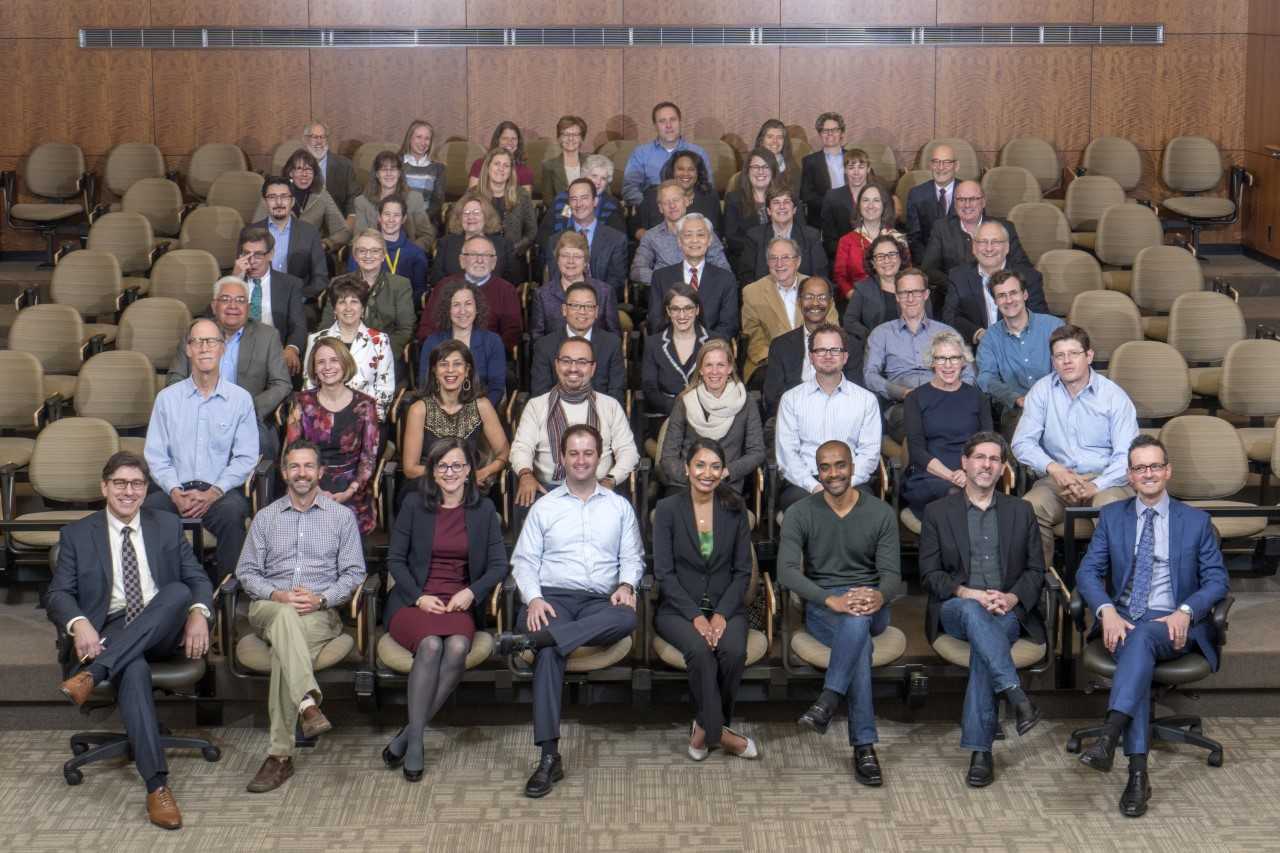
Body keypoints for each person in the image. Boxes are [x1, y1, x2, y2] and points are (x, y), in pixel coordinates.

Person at [50, 451, 214, 830]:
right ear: (104, 487)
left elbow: (197, 580)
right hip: (109, 629)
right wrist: (79, 623)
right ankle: (157, 786)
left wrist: (198, 613)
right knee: (134, 668)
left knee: (177, 592)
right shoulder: (78, 534)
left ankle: (92, 675)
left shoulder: (167, 525)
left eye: (137, 484)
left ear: (146, 489)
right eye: (120, 483)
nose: (129, 491)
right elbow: (58, 594)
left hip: (163, 627)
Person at [1074, 434, 1230, 817]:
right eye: (1140, 467)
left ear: (1168, 471)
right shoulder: (1112, 517)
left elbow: (1217, 581)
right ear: (1129, 475)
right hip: (1122, 623)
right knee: (1137, 648)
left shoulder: (1195, 521)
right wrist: (1107, 611)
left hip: (1173, 625)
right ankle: (1137, 776)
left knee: (1141, 639)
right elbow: (1088, 573)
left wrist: (1186, 611)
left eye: (1155, 466)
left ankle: (1111, 735)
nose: (1148, 473)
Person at [499, 423, 644, 797]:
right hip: (553, 600)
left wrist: (626, 585)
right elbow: (524, 562)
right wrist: (534, 598)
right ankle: (549, 757)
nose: (581, 460)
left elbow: (632, 557)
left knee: (627, 617)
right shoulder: (545, 507)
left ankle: (535, 640)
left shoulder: (619, 507)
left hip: (601, 602)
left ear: (600, 458)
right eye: (574, 453)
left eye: (588, 453)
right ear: (562, 459)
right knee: (550, 652)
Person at [236, 440, 367, 794]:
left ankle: (280, 755)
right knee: (283, 616)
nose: (302, 473)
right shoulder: (266, 518)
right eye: (294, 466)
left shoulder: (341, 517)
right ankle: (307, 701)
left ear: (320, 472)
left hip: (318, 613)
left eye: (308, 466)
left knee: (285, 649)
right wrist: (277, 595)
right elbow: (247, 572)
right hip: (269, 606)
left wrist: (322, 598)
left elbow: (354, 574)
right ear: (284, 473)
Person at [917, 431, 1046, 787]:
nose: (986, 465)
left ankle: (981, 751)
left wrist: (1012, 598)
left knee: (984, 651)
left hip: (1006, 611)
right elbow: (929, 574)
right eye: (980, 457)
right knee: (974, 614)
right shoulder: (938, 512)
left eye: (994, 459)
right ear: (965, 462)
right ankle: (1016, 694)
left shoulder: (1021, 511)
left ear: (1003, 468)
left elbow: (1036, 570)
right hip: (957, 608)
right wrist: (968, 593)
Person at [382, 438, 508, 782]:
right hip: (413, 601)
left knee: (456, 646)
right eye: (442, 466)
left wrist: (472, 592)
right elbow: (395, 559)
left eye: (457, 465)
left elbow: (499, 565)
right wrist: (419, 596)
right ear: (433, 471)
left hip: (457, 601)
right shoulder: (414, 504)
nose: (450, 472)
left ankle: (408, 733)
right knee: (430, 646)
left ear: (469, 471)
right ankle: (416, 743)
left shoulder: (484, 510)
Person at [779, 440, 901, 787]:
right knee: (857, 637)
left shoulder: (880, 513)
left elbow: (892, 575)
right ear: (817, 472)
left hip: (872, 604)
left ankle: (829, 698)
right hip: (826, 607)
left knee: (859, 618)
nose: (833, 473)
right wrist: (830, 600)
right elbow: (786, 572)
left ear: (853, 468)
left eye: (840, 465)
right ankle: (864, 746)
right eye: (825, 467)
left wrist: (878, 595)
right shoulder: (800, 512)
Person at [653, 439, 758, 761]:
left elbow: (742, 571)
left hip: (727, 607)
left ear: (724, 471)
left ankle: (703, 727)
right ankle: (720, 734)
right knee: (700, 651)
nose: (707, 473)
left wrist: (721, 614)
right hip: (678, 610)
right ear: (687, 469)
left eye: (715, 466)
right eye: (700, 465)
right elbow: (664, 573)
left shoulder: (735, 509)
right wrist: (696, 617)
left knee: (733, 651)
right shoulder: (667, 510)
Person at [1013, 324, 1139, 570]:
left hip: (1107, 481)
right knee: (1028, 508)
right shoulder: (1042, 391)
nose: (1066, 361)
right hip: (1059, 481)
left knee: (1111, 510)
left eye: (1074, 354)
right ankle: (1042, 584)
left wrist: (1095, 485)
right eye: (1059, 356)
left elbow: (1127, 456)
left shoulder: (1113, 396)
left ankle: (1113, 586)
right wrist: (1054, 468)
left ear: (1089, 356)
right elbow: (1021, 442)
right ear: (1053, 361)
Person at [146, 318, 257, 583]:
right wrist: (175, 491)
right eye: (197, 342)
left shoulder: (240, 399)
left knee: (233, 514)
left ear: (222, 348)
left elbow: (245, 457)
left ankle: (226, 593)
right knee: (147, 512)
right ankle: (161, 592)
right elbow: (156, 456)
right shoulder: (167, 399)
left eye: (211, 341)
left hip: (219, 494)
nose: (205, 348)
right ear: (188, 349)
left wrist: (213, 492)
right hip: (176, 491)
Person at [166, 276, 291, 461]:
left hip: (246, 416)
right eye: (225, 299)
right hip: (197, 413)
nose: (233, 306)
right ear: (214, 305)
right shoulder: (196, 332)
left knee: (262, 443)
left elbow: (281, 384)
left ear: (248, 307)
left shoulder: (268, 336)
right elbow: (175, 377)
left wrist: (249, 407)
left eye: (240, 300)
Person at [510, 337, 639, 507]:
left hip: (600, 488)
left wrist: (610, 480)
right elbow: (521, 447)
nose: (573, 368)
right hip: (548, 491)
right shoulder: (536, 406)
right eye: (566, 361)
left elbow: (628, 451)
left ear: (593, 368)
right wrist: (526, 475)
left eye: (582, 362)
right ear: (557, 365)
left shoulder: (610, 406)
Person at [776, 325, 882, 510]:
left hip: (851, 481)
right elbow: (788, 455)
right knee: (802, 508)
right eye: (821, 350)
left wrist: (845, 485)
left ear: (845, 357)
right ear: (811, 357)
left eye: (835, 350)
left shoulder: (866, 400)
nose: (828, 355)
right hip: (805, 484)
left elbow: (869, 453)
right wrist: (815, 487)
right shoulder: (790, 399)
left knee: (865, 507)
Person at [285, 338, 380, 535]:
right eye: (321, 362)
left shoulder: (366, 404)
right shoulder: (301, 402)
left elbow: (368, 458)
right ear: (314, 368)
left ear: (345, 363)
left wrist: (350, 490)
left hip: (352, 486)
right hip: (308, 481)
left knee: (346, 525)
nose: (327, 367)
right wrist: (316, 490)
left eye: (334, 360)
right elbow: (292, 454)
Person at [863, 268, 971, 442]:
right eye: (904, 293)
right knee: (923, 425)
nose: (910, 298)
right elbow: (870, 375)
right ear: (897, 296)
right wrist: (901, 392)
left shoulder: (947, 332)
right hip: (903, 406)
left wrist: (951, 393)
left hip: (945, 400)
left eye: (916, 292)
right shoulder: (881, 334)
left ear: (926, 294)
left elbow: (968, 370)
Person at [900, 331, 994, 518]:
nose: (948, 365)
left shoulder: (978, 397)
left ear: (963, 361)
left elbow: (988, 445)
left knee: (968, 495)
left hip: (974, 473)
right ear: (932, 362)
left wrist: (968, 473)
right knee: (956, 495)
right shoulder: (915, 398)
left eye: (954, 358)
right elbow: (917, 451)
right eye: (941, 358)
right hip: (929, 475)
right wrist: (952, 476)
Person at [401, 341, 510, 496]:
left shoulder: (482, 406)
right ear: (434, 371)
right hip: (427, 484)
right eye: (443, 364)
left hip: (469, 485)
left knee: (481, 504)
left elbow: (504, 452)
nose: (450, 370)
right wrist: (453, 476)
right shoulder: (419, 409)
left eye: (457, 364)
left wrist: (484, 472)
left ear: (467, 370)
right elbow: (410, 469)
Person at [660, 339, 765, 495]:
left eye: (720, 365)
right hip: (686, 484)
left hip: (726, 485)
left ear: (730, 368)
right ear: (701, 370)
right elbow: (668, 456)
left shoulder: (746, 402)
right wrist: (692, 476)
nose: (714, 371)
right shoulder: (685, 401)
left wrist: (726, 472)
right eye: (708, 365)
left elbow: (757, 452)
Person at [741, 237, 836, 384]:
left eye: (786, 257)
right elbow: (754, 337)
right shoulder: (752, 292)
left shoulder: (818, 287)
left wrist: (813, 357)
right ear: (767, 262)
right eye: (773, 258)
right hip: (770, 362)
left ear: (798, 261)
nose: (779, 264)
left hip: (817, 357)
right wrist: (780, 360)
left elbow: (831, 327)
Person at [976, 270, 1064, 426]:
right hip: (1017, 412)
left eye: (1013, 293)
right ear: (995, 301)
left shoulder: (1054, 326)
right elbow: (986, 378)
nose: (1008, 300)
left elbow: (1067, 366)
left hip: (1058, 405)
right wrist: (1015, 398)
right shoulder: (990, 338)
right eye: (1001, 296)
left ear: (1025, 295)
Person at [763, 276, 859, 419]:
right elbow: (772, 396)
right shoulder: (780, 346)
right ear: (799, 302)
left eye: (822, 297)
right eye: (809, 297)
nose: (815, 303)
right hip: (793, 416)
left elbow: (856, 391)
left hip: (839, 416)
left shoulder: (850, 344)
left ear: (830, 302)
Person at [303, 277, 395, 422]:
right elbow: (309, 384)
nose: (348, 308)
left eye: (354, 301)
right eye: (342, 302)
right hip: (323, 420)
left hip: (366, 419)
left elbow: (385, 389)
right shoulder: (316, 339)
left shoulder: (380, 341)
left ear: (363, 308)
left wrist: (368, 420)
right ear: (334, 309)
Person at [943, 220, 1048, 346]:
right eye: (983, 242)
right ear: (974, 247)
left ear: (1007, 247)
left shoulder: (1030, 277)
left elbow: (1039, 321)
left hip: (1020, 347)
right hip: (975, 350)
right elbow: (950, 318)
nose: (989, 248)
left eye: (996, 242)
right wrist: (978, 334)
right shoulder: (958, 276)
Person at [921, 180, 1034, 292]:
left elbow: (1023, 266)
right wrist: (957, 285)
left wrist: (998, 285)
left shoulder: (1005, 227)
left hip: (998, 293)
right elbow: (928, 269)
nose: (967, 205)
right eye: (961, 199)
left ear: (983, 202)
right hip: (954, 294)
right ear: (955, 203)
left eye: (973, 199)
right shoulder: (941, 228)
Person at [321, 229, 416, 360]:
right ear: (355, 256)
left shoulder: (400, 285)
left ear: (383, 255)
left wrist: (380, 354)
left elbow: (405, 330)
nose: (368, 255)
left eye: (375, 251)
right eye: (362, 251)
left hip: (384, 353)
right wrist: (340, 355)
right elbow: (326, 325)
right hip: (343, 354)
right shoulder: (338, 283)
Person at [418, 234, 522, 350]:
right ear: (462, 261)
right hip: (445, 354)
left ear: (493, 262)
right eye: (473, 254)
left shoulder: (506, 290)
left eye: (486, 255)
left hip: (488, 354)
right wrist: (445, 353)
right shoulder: (444, 286)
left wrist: (486, 352)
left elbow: (512, 333)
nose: (480, 260)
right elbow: (427, 329)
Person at [647, 213, 739, 341]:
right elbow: (655, 321)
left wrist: (703, 345)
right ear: (679, 241)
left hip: (711, 348)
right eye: (688, 235)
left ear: (709, 240)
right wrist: (679, 344)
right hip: (671, 346)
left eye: (700, 235)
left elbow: (728, 325)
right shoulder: (660, 277)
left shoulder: (726, 279)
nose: (694, 240)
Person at [230, 224, 306, 376]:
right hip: (235, 354)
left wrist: (291, 348)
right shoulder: (228, 282)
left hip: (274, 354)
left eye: (258, 255)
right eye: (246, 254)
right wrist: (235, 280)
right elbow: (212, 319)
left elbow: (299, 325)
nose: (252, 261)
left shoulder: (290, 284)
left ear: (270, 255)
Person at [531, 281, 625, 402]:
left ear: (596, 311)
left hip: (601, 410)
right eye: (575, 305)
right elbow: (541, 394)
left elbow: (616, 392)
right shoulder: (544, 346)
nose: (582, 311)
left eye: (589, 306)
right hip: (556, 410)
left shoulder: (612, 344)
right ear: (564, 309)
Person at [419, 279, 506, 408]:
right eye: (456, 305)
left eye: (468, 304)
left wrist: (474, 413)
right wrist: (445, 411)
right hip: (440, 411)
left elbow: (496, 388)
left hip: (481, 411)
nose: (463, 311)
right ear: (447, 310)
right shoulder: (432, 342)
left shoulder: (493, 341)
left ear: (477, 308)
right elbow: (425, 385)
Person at [842, 234, 915, 384]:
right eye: (880, 256)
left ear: (900, 258)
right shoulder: (863, 288)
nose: (887, 260)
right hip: (875, 354)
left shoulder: (914, 286)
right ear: (873, 263)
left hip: (911, 354)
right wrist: (872, 336)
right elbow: (849, 321)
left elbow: (928, 320)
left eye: (892, 254)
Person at [630, 179, 731, 286]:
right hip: (666, 292)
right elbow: (637, 271)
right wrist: (665, 281)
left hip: (702, 290)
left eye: (676, 200)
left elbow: (724, 268)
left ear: (686, 201)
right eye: (666, 202)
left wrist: (699, 282)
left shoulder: (704, 230)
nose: (672, 206)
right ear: (660, 208)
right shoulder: (650, 236)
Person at [541, 177, 628, 299]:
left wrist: (589, 302)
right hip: (565, 303)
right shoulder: (555, 241)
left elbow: (616, 281)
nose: (579, 204)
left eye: (584, 198)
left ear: (595, 201)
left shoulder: (616, 239)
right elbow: (555, 281)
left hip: (602, 301)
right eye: (574, 199)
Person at [253, 148, 349, 251]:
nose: (304, 174)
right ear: (291, 173)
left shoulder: (321, 195)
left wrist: (325, 244)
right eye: (299, 169)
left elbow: (343, 231)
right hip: (276, 250)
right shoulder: (272, 192)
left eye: (309, 169)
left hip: (309, 252)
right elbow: (255, 230)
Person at [529, 231, 621, 338]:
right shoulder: (542, 295)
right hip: (554, 348)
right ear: (557, 260)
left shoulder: (605, 292)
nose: (570, 261)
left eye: (577, 256)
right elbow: (537, 338)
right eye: (565, 255)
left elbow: (614, 337)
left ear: (586, 262)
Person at [622, 101, 713, 205]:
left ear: (680, 122)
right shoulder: (641, 154)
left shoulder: (698, 152)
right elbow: (629, 189)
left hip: (692, 208)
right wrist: (650, 206)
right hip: (653, 208)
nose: (668, 125)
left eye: (673, 120)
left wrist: (688, 205)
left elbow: (707, 187)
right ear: (655, 126)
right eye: (662, 121)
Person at [345, 195, 430, 305]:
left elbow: (419, 292)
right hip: (364, 306)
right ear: (379, 217)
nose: (391, 220)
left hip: (401, 309)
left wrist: (397, 306)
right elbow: (351, 285)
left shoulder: (416, 254)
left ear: (403, 219)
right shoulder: (361, 249)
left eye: (396, 215)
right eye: (387, 214)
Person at [739, 184, 828, 286]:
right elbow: (746, 278)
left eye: (786, 202)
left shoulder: (811, 236)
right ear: (768, 210)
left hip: (802, 293)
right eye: (776, 202)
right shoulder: (754, 236)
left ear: (794, 209)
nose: (782, 207)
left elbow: (820, 275)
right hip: (765, 293)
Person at [255, 176, 328, 299]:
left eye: (284, 197)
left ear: (292, 201)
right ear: (264, 202)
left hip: (299, 300)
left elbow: (320, 278)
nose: (279, 202)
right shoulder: (251, 232)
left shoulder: (310, 232)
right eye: (272, 197)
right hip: (259, 300)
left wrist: (299, 298)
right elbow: (243, 274)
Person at [641, 283, 707, 416]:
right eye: (675, 309)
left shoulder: (714, 341)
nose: (682, 315)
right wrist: (678, 410)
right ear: (668, 311)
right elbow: (650, 389)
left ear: (697, 310)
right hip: (666, 415)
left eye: (688, 308)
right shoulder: (653, 344)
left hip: (707, 414)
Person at [352, 151, 437, 253]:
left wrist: (410, 251)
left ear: (399, 173)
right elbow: (359, 237)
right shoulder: (362, 202)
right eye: (384, 169)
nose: (389, 174)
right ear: (377, 174)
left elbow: (427, 235)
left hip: (407, 255)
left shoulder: (414, 199)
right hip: (374, 256)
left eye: (393, 169)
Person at [833, 183, 906, 300]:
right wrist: (853, 296)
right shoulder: (846, 241)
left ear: (884, 205)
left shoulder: (898, 238)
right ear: (859, 206)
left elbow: (906, 273)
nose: (870, 205)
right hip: (858, 300)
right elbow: (840, 277)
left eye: (876, 200)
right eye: (865, 200)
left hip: (894, 299)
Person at [475, 146, 537, 283]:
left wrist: (514, 249)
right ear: (488, 167)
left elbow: (532, 231)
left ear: (511, 171)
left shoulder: (522, 195)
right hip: (480, 257)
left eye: (506, 165)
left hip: (514, 256)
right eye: (497, 164)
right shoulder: (473, 195)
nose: (501, 169)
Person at [430, 192, 518, 285]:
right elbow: (436, 280)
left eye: (476, 213)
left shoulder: (504, 245)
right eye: (466, 213)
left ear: (486, 216)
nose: (471, 217)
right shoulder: (446, 243)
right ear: (459, 218)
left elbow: (513, 281)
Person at [539, 153, 627, 245]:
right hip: (560, 250)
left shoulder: (612, 205)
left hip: (597, 252)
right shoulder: (564, 200)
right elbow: (545, 235)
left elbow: (618, 241)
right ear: (584, 175)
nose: (598, 182)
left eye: (603, 178)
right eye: (594, 176)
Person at [633, 149, 722, 238]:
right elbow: (634, 227)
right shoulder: (653, 195)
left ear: (698, 173)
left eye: (691, 169)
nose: (685, 174)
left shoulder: (710, 196)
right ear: (672, 171)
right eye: (680, 169)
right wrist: (652, 240)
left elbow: (717, 233)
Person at [820, 148, 889, 259]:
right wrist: (851, 255)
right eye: (851, 167)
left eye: (861, 167)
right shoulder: (832, 197)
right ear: (845, 170)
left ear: (868, 169)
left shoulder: (881, 194)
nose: (856, 172)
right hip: (844, 256)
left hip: (879, 256)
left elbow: (887, 227)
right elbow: (829, 240)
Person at [722, 147, 778, 268]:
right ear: (747, 171)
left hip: (783, 259)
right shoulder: (734, 199)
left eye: (766, 167)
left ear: (773, 170)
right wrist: (763, 249)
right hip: (747, 261)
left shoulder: (786, 199)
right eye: (756, 167)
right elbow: (732, 239)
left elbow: (798, 233)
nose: (761, 171)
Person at [905, 143, 958, 263]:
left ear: (956, 166)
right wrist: (928, 264)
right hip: (926, 262)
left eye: (947, 162)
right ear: (930, 165)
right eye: (936, 162)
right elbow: (914, 237)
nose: (940, 167)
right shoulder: (916, 194)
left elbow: (977, 232)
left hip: (962, 263)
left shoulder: (970, 192)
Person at [801, 112, 846, 228]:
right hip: (822, 220)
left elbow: (869, 185)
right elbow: (806, 195)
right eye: (825, 130)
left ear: (841, 133)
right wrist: (831, 205)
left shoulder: (854, 157)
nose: (830, 133)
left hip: (852, 217)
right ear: (820, 134)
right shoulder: (810, 161)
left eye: (834, 130)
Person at [302, 121, 356, 215]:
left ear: (327, 140)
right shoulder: (296, 165)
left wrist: (351, 218)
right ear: (306, 140)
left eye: (323, 137)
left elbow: (352, 198)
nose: (319, 141)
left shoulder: (345, 165)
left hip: (337, 218)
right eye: (314, 137)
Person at [398, 119, 446, 219]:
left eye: (427, 138)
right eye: (419, 137)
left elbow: (437, 201)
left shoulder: (438, 167)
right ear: (409, 138)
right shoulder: (396, 162)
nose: (423, 142)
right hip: (398, 217)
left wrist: (422, 218)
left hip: (426, 218)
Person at [467, 121, 535, 189]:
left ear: (518, 142)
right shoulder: (479, 165)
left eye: (513, 139)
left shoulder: (525, 172)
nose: (509, 142)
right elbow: (472, 193)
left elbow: (525, 196)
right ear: (497, 140)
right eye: (505, 138)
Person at [540, 115, 588, 203]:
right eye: (565, 134)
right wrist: (568, 211)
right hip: (561, 211)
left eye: (575, 134)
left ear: (582, 138)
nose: (570, 138)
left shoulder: (592, 162)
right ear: (559, 138)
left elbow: (603, 195)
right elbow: (548, 201)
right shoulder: (548, 166)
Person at [754, 118, 801, 196]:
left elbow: (795, 198)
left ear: (784, 142)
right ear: (761, 141)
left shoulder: (793, 168)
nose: (775, 141)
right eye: (770, 137)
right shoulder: (751, 165)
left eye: (779, 137)